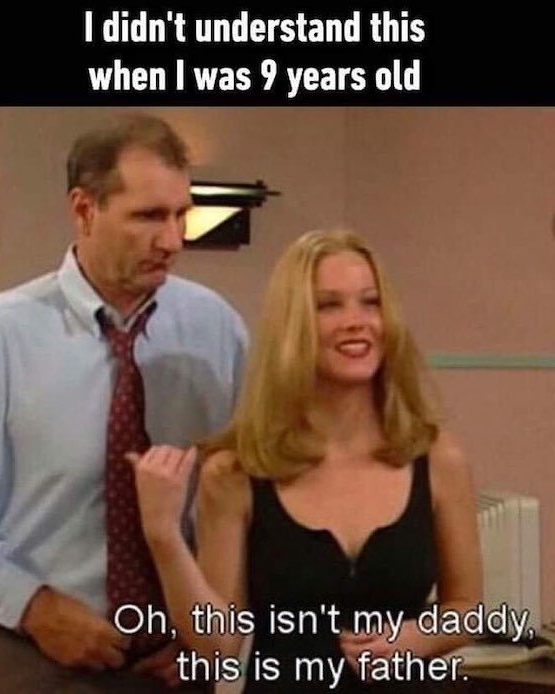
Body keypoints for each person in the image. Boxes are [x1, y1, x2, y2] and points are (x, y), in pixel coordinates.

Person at [0, 112, 247, 692]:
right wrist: (31, 605)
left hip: (174, 666)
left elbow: (254, 493)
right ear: (84, 209)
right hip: (31, 655)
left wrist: (205, 630)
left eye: (181, 215)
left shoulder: (216, 329)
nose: (172, 240)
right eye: (149, 216)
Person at [129, 229, 482, 692]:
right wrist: (163, 535)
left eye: (370, 303)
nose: (356, 321)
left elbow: (466, 610)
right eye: (329, 306)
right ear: (292, 327)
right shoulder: (236, 472)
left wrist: (414, 639)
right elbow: (218, 648)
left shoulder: (437, 459)